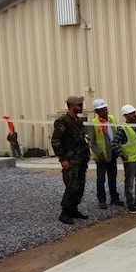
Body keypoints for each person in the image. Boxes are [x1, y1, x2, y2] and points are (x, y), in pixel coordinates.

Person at [51, 95, 90, 225]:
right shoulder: (63, 122)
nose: (81, 107)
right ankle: (65, 212)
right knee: (71, 187)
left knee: (80, 186)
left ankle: (74, 209)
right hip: (70, 160)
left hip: (80, 160)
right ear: (72, 106)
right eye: (79, 105)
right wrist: (63, 159)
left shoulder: (77, 121)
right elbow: (56, 141)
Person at [112, 104, 136, 213]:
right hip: (130, 161)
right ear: (126, 116)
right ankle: (130, 204)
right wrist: (122, 154)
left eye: (134, 113)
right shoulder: (122, 128)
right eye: (131, 114)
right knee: (129, 183)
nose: (134, 115)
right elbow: (114, 143)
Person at [87, 98, 124, 209]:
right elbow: (92, 142)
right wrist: (99, 153)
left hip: (112, 152)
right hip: (101, 156)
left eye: (105, 109)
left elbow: (116, 133)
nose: (105, 112)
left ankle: (114, 198)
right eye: (102, 110)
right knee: (101, 179)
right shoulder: (93, 123)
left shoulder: (112, 118)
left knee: (112, 177)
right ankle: (101, 200)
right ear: (97, 112)